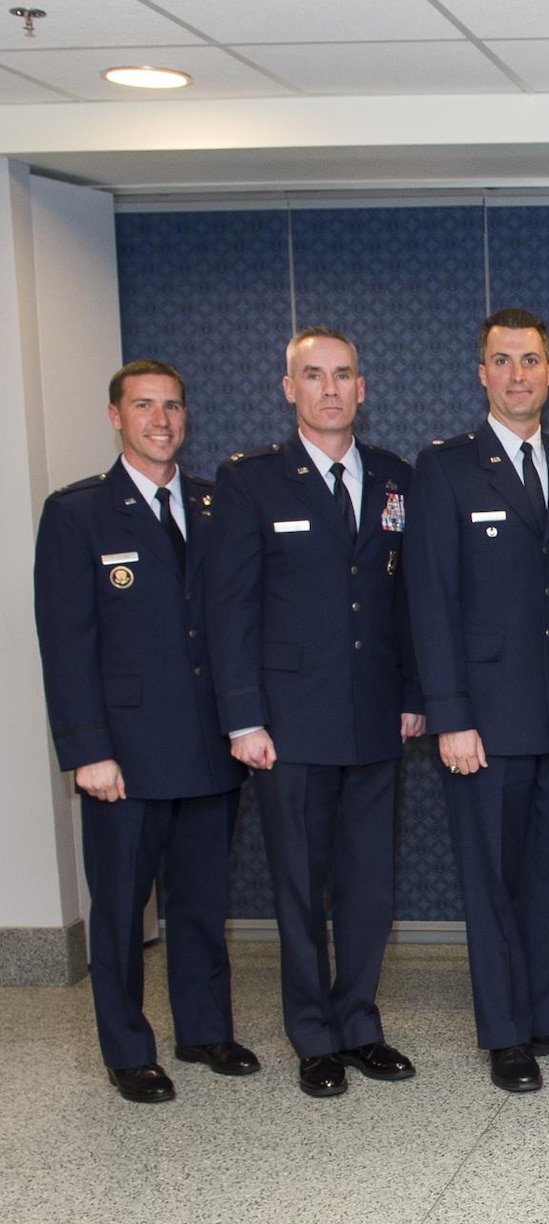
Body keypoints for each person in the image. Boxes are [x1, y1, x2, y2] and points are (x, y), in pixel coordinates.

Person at [407, 308, 549, 1093]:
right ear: (482, 374)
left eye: (530, 360)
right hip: (485, 722)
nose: (517, 375)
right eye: (501, 362)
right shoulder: (447, 468)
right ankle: (505, 1033)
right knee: (490, 880)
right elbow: (429, 599)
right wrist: (450, 712)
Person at [207, 328, 425, 1099]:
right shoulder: (251, 482)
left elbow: (404, 604)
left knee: (370, 887)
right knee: (300, 883)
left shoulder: (396, 478)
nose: (330, 389)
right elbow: (228, 608)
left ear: (362, 388)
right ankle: (314, 1033)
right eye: (313, 376)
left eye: (342, 375)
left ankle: (359, 1022)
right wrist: (242, 718)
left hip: (374, 718)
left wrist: (411, 697)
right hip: (288, 725)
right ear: (289, 387)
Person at [33, 360, 255, 1104]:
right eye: (144, 406)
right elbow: (65, 643)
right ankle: (128, 1047)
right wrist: (86, 748)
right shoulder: (79, 514)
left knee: (200, 902)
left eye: (172, 406)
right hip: (122, 755)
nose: (161, 420)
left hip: (207, 746)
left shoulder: (216, 504)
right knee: (123, 909)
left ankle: (204, 1030)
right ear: (115, 416)